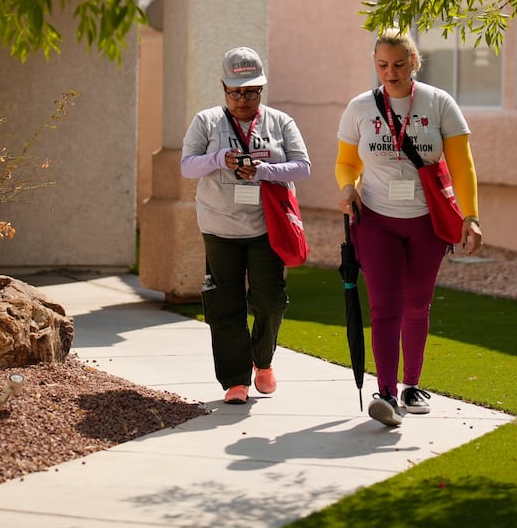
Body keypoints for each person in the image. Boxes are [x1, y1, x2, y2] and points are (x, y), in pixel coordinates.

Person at [336, 30, 483, 426]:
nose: (391, 73)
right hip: (376, 219)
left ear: (414, 63)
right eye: (382, 65)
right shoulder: (361, 107)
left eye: (399, 64)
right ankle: (385, 393)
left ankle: (411, 384)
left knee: (416, 303)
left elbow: (462, 165)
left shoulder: (438, 103)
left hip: (427, 222)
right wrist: (348, 186)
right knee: (385, 305)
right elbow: (346, 162)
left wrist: (471, 215)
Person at [181, 46, 311, 404]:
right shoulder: (206, 121)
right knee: (225, 304)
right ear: (224, 88)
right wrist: (219, 158)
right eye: (236, 92)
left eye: (251, 92)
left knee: (270, 301)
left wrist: (264, 170)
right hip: (219, 226)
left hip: (266, 228)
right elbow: (187, 166)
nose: (243, 99)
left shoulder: (279, 122)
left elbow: (303, 166)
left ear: (262, 90)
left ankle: (262, 359)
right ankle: (235, 381)